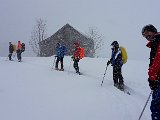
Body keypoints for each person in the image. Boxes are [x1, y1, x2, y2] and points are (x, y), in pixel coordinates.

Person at [142, 24, 160, 120]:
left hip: (158, 79)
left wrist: (152, 78)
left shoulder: (157, 41)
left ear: (153, 31)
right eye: (144, 35)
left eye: (147, 33)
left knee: (156, 106)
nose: (146, 36)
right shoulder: (154, 43)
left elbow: (157, 61)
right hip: (156, 80)